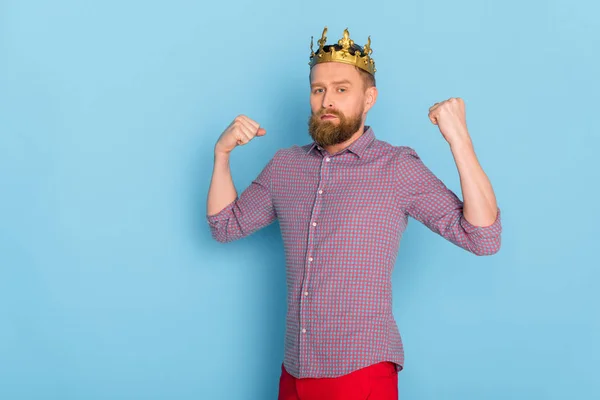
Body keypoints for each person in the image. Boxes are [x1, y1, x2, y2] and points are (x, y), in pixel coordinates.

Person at [206, 26, 502, 400]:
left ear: (369, 98)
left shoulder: (396, 167)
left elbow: (483, 236)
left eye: (341, 89)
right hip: (293, 371)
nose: (327, 100)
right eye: (318, 89)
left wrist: (460, 139)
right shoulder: (285, 166)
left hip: (360, 370)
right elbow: (225, 225)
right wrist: (222, 155)